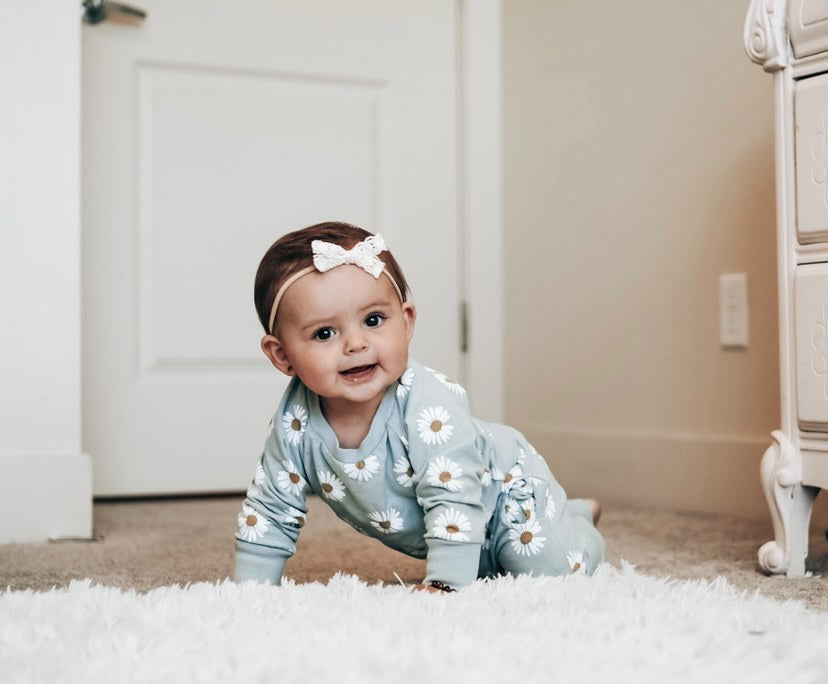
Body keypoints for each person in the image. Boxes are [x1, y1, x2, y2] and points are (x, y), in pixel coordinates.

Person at [235, 221, 604, 593]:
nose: (356, 343)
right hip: (454, 524)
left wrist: (445, 584)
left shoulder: (428, 406)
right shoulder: (294, 423)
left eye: (373, 320)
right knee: (487, 568)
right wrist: (251, 590)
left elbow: (453, 494)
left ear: (406, 321)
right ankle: (571, 512)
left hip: (505, 492)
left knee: (549, 573)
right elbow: (270, 507)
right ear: (282, 355)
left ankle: (580, 530)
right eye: (324, 333)